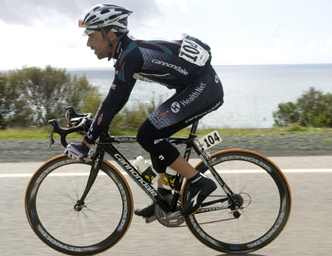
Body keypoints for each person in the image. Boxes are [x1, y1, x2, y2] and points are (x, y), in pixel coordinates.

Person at [65, 4, 224, 217]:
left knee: (149, 134)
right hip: (194, 85)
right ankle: (164, 197)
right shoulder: (127, 53)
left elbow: (113, 101)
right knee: (155, 135)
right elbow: (118, 99)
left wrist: (86, 143)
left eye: (92, 36)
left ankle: (199, 182)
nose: (88, 43)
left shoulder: (131, 56)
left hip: (205, 88)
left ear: (110, 33)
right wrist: (93, 127)